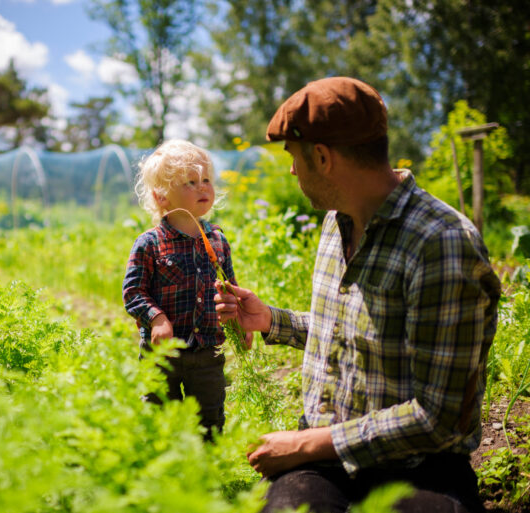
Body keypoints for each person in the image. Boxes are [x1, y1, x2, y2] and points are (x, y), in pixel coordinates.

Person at [214, 77, 501, 512]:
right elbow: (349, 336)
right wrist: (270, 320)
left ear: (323, 157)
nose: (292, 170)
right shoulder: (337, 222)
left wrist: (307, 444)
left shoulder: (441, 243)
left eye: (294, 157)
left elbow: (437, 419)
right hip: (325, 458)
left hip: (417, 465)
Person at [123, 139, 250, 440]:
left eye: (206, 180)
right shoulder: (150, 244)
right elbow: (133, 293)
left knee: (209, 420)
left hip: (207, 350)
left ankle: (206, 475)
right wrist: (156, 318)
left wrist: (240, 320)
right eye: (190, 182)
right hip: (162, 353)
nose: (203, 187)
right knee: (161, 416)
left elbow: (228, 290)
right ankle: (167, 471)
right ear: (161, 196)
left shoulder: (217, 239)